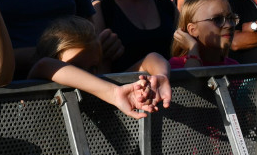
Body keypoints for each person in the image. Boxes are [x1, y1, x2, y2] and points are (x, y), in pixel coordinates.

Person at [28, 16, 169, 117]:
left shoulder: (107, 87)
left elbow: (152, 58)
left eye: (93, 68)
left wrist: (161, 76)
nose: (86, 75)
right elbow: (45, 65)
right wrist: (113, 93)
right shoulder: (42, 72)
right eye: (75, 67)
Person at [169, 0, 239, 68]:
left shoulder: (234, 66)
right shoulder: (177, 66)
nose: (229, 25)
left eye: (231, 18)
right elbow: (193, 79)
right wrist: (192, 47)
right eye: (217, 19)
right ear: (193, 30)